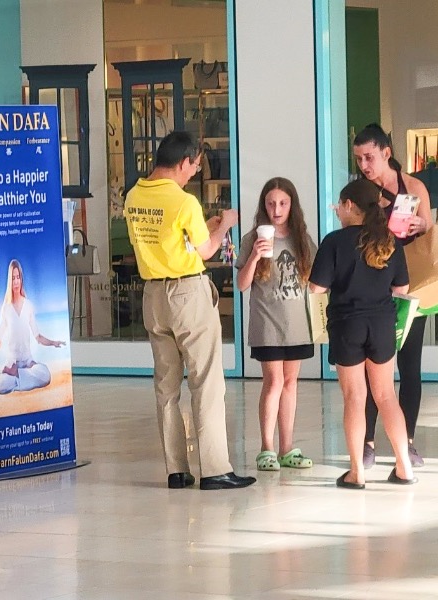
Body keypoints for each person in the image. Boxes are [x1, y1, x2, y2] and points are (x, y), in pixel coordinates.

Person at [124, 130, 255, 491]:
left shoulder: (133, 196)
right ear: (184, 162)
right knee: (206, 381)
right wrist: (224, 224)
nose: (194, 172)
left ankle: (177, 470)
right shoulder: (184, 202)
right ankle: (215, 469)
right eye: (194, 166)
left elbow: (166, 240)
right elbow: (206, 252)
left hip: (153, 296)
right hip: (188, 294)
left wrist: (205, 231)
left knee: (166, 387)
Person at [309, 178, 416, 489]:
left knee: (355, 397)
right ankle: (404, 466)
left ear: (350, 206)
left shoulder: (334, 241)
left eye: (340, 206)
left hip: (347, 325)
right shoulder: (389, 241)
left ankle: (357, 472)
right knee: (386, 396)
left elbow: (316, 288)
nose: (338, 211)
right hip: (382, 325)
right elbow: (402, 288)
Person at [352, 123, 433, 469]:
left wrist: (419, 226)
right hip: (373, 290)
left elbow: (427, 222)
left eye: (369, 157)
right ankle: (368, 442)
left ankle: (408, 441)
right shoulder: (362, 192)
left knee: (409, 368)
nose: (364, 166)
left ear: (386, 153)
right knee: (373, 371)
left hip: (412, 286)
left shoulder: (413, 187)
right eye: (359, 159)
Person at [235, 177, 316, 472]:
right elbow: (242, 284)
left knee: (291, 382)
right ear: (263, 205)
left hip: (297, 324)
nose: (277, 209)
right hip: (267, 324)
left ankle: (287, 447)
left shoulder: (303, 240)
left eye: (282, 203)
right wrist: (256, 254)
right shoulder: (251, 239)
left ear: (292, 205)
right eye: (271, 203)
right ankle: (266, 448)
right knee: (273, 381)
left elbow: (316, 282)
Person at [0, 259, 66, 394]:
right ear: (10, 280)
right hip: (12, 363)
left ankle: (17, 377)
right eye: (13, 278)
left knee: (46, 375)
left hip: (27, 362)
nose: (16, 282)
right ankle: (18, 377)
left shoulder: (29, 305)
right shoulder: (6, 308)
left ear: (21, 279)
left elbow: (38, 337)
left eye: (18, 277)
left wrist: (53, 342)